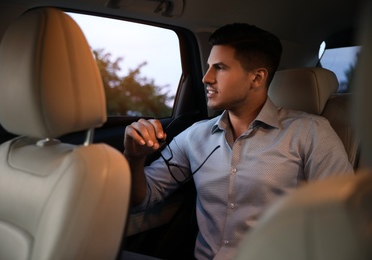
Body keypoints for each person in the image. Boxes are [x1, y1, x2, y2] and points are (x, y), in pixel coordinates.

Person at [123, 23, 354, 260]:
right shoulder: (195, 136)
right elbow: (144, 198)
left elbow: (345, 217)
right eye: (208, 67)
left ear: (257, 77)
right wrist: (134, 158)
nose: (205, 78)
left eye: (220, 68)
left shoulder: (310, 133)